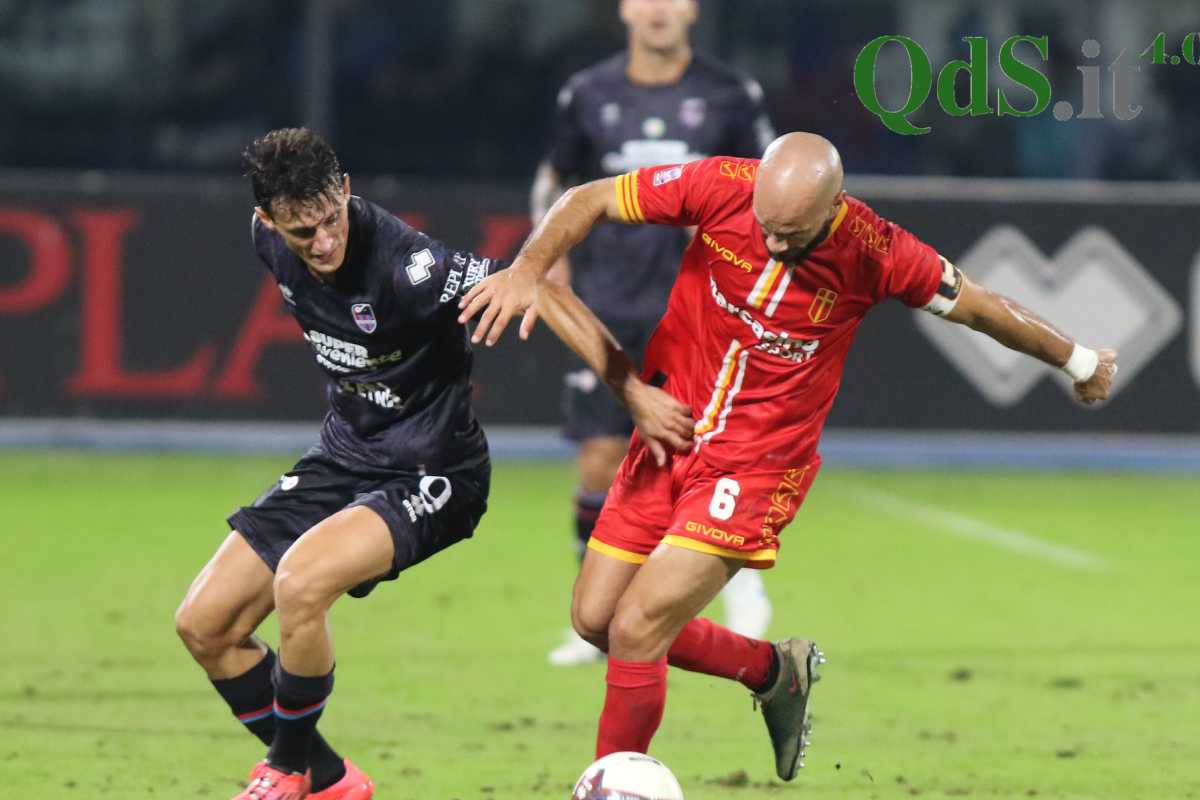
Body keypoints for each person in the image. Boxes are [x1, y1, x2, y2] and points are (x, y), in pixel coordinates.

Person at [459, 132, 1119, 780]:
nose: (773, 244)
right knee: (595, 620)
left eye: (790, 234)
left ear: (833, 207)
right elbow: (590, 197)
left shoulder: (879, 251)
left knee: (637, 627)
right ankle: (774, 671)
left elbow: (982, 309)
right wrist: (528, 268)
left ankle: (613, 784)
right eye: (765, 227)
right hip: (668, 433)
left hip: (756, 467)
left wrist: (1080, 362)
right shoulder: (722, 185)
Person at [171, 128, 685, 800]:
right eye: (302, 232)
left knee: (300, 583)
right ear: (268, 221)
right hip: (345, 455)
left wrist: (634, 394)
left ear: (345, 190)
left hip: (434, 473)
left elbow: (543, 292)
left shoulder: (410, 267)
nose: (322, 243)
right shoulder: (266, 240)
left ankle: (287, 770)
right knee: (205, 624)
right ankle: (332, 782)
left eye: (331, 220)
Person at [534, 0, 778, 666]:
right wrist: (547, 254)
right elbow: (555, 181)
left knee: (704, 455)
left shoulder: (731, 94)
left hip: (702, 308)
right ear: (624, 9)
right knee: (599, 458)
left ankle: (742, 588)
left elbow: (773, 189)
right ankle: (597, 612)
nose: (658, 9)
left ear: (693, 9)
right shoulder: (586, 93)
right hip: (607, 301)